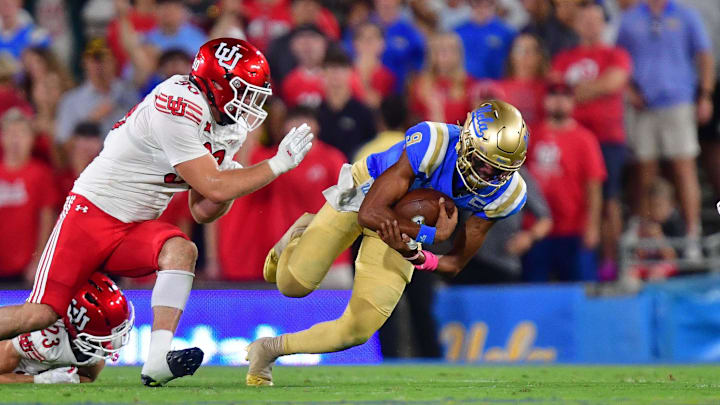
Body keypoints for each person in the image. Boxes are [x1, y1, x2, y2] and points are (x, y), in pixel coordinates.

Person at [0, 38, 314, 387]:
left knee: (182, 250)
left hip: (135, 225)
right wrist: (275, 165)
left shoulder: (230, 125)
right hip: (92, 214)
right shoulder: (178, 103)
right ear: (218, 84)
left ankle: (157, 360)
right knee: (40, 314)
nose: (250, 104)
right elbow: (213, 186)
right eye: (244, 91)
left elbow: (202, 210)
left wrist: (233, 181)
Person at [245, 100, 529, 386]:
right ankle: (300, 233)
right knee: (292, 285)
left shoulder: (508, 194)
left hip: (408, 228)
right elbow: (370, 213)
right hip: (367, 192)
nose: (490, 178)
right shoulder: (434, 142)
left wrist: (415, 254)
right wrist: (431, 237)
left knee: (358, 329)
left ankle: (269, 349)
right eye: (484, 164)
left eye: (502, 171)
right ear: (466, 143)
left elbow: (454, 263)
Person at [617, 0, 715, 260]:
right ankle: (643, 232)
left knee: (684, 168)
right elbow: (619, 59)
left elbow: (704, 53)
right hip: (643, 105)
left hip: (678, 101)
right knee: (643, 169)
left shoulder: (686, 15)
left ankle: (692, 234)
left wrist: (705, 94)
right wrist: (628, 90)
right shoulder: (630, 18)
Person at [218, 106, 350, 283]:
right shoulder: (275, 159)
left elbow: (347, 203)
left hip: (331, 255)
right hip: (288, 255)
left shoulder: (333, 158)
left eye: (307, 121)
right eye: (294, 122)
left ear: (317, 126)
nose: (301, 126)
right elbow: (245, 168)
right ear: (284, 128)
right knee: (293, 310)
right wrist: (248, 129)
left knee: (339, 310)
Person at [551, 3, 632, 280]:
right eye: (584, 19)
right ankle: (584, 261)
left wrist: (573, 93)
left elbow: (613, 83)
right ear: (576, 24)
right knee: (579, 201)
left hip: (607, 138)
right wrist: (593, 90)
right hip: (570, 138)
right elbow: (555, 92)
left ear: (604, 23)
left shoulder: (615, 54)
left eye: (595, 20)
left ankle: (612, 261)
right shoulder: (563, 57)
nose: (589, 24)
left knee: (609, 201)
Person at [523, 82, 606, 282]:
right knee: (534, 289)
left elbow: (594, 186)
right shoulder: (529, 135)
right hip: (535, 227)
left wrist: (592, 226)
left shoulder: (585, 139)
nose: (559, 101)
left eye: (565, 96)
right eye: (553, 95)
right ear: (545, 100)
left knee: (580, 289)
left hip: (573, 228)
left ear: (572, 102)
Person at [0, 273, 133, 384]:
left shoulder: (92, 352)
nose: (112, 341)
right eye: (105, 331)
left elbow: (84, 378)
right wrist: (39, 380)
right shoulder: (40, 338)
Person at [456, 167, 552, 284]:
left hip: (502, 261)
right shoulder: (467, 168)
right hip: (465, 260)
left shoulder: (519, 177)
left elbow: (545, 220)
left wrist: (529, 237)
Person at [0, 109, 58, 284]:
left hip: (27, 268)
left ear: (32, 139)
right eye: (11, 133)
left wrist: (38, 259)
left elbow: (47, 218)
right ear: (2, 137)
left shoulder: (40, 173)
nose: (16, 139)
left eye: (22, 133)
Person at [54, 38, 138, 145]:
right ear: (85, 63)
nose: (99, 66)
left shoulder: (128, 92)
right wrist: (91, 121)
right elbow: (63, 143)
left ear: (114, 61)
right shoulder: (71, 100)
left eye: (104, 59)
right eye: (95, 60)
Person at [317, 49, 376, 161]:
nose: (336, 74)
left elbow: (370, 147)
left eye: (341, 68)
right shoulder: (316, 112)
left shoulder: (363, 113)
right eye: (331, 68)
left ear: (350, 72)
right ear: (322, 73)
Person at [409, 32, 476, 125]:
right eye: (439, 50)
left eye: (449, 50)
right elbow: (414, 117)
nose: (443, 55)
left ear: (458, 54)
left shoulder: (468, 83)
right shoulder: (421, 83)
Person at [492, 33, 547, 129]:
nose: (525, 55)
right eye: (520, 50)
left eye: (530, 51)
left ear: (539, 57)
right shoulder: (497, 88)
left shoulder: (548, 88)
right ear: (511, 56)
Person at [455, 0, 516, 80]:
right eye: (477, 4)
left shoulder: (507, 33)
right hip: (464, 84)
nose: (481, 8)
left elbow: (513, 62)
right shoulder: (457, 32)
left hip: (497, 83)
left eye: (487, 4)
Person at [281, 24, 328, 108]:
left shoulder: (337, 78)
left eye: (313, 38)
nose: (307, 44)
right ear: (292, 46)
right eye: (302, 39)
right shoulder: (288, 82)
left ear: (324, 44)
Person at [351, 22, 395, 109]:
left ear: (382, 44)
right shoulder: (344, 72)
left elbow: (374, 105)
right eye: (362, 37)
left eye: (373, 38)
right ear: (355, 43)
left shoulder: (386, 76)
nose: (367, 42)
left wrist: (364, 75)